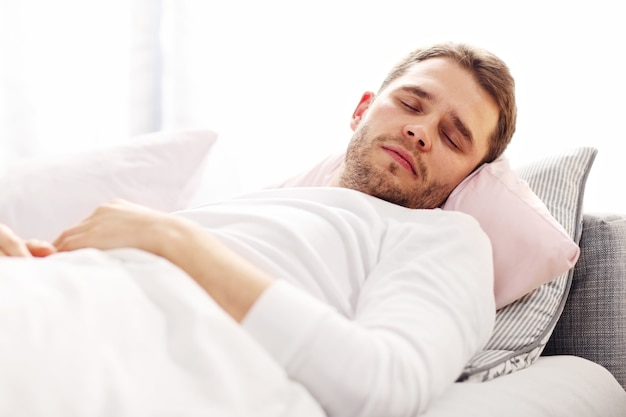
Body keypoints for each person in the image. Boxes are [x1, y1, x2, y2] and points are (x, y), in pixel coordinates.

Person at [0, 42, 516, 416]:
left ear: (468, 179)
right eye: (410, 104)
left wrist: (171, 238)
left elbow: (386, 385)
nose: (420, 131)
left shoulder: (445, 239)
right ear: (362, 109)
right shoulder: (265, 207)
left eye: (453, 136)